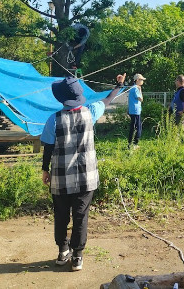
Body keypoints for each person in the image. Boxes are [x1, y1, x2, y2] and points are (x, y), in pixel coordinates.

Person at [41, 73, 126, 272]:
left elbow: (47, 148)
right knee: (81, 215)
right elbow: (108, 99)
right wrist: (118, 84)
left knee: (61, 214)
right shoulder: (91, 111)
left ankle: (63, 251)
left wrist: (45, 170)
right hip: (86, 177)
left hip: (61, 177)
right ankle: (77, 255)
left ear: (61, 99)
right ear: (79, 96)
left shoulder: (53, 120)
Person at [127, 73, 145, 148]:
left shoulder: (133, 88)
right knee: (137, 127)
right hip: (135, 111)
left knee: (133, 126)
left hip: (133, 110)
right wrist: (140, 90)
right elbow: (141, 99)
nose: (142, 81)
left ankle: (131, 143)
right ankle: (134, 144)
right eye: (141, 80)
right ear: (137, 80)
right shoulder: (135, 88)